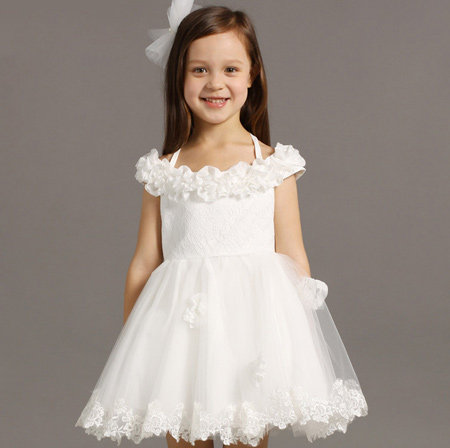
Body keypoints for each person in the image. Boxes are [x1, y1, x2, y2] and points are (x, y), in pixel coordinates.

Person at [75, 2, 368, 447]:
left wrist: (299, 340)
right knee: (184, 435)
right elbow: (144, 262)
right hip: (181, 337)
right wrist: (136, 344)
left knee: (247, 436)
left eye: (231, 69)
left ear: (252, 75)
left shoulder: (273, 165)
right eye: (199, 70)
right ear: (179, 77)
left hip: (253, 335)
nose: (215, 83)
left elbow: (292, 255)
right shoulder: (163, 171)